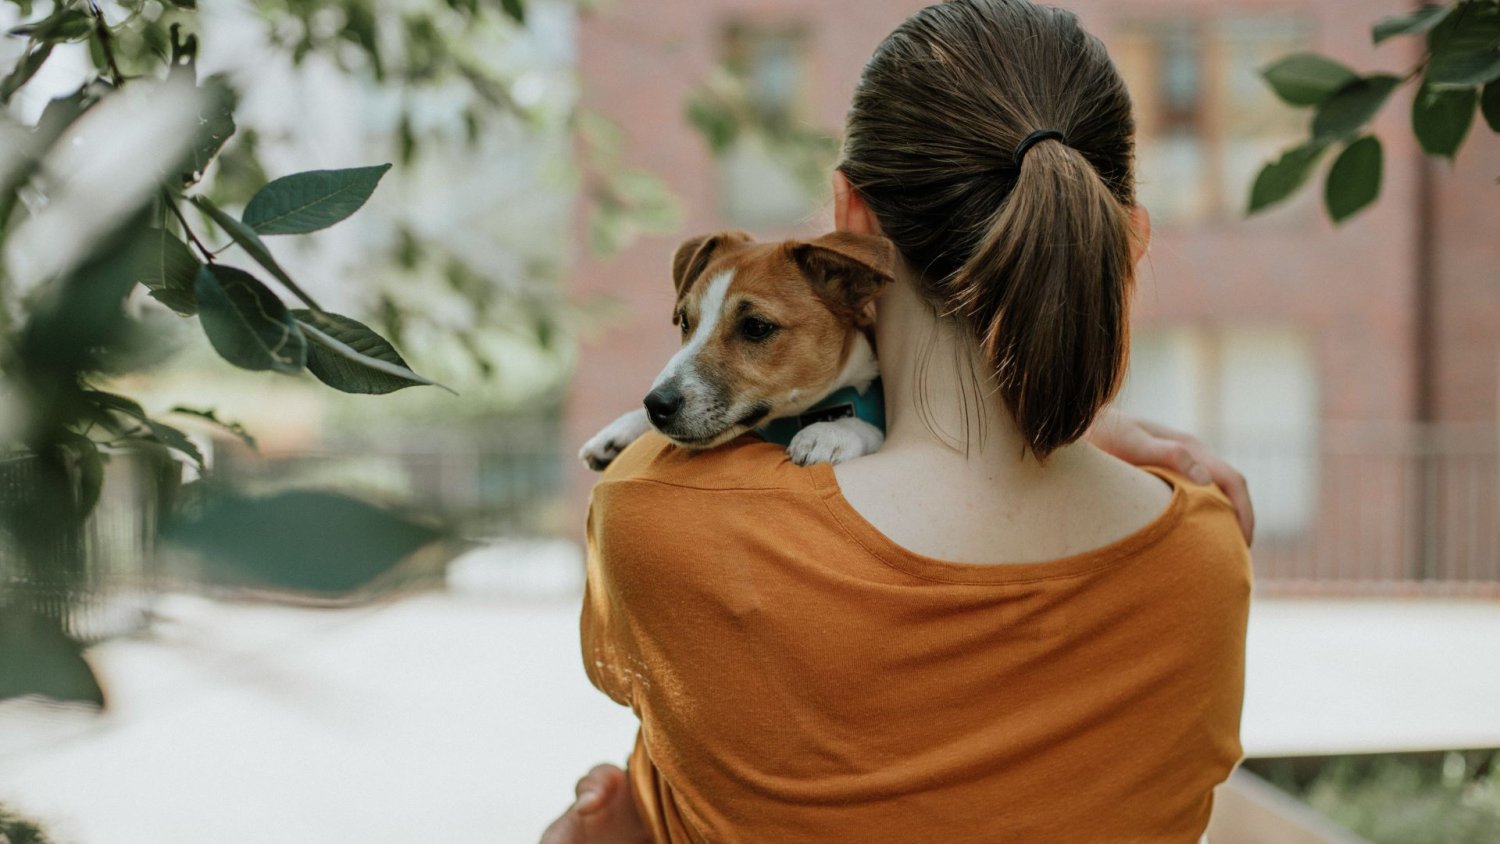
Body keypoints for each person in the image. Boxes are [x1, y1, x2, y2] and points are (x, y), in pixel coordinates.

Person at [545, 0, 1255, 840]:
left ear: (851, 216)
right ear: (1126, 239)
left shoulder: (663, 515)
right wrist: (1087, 425)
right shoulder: (1206, 548)